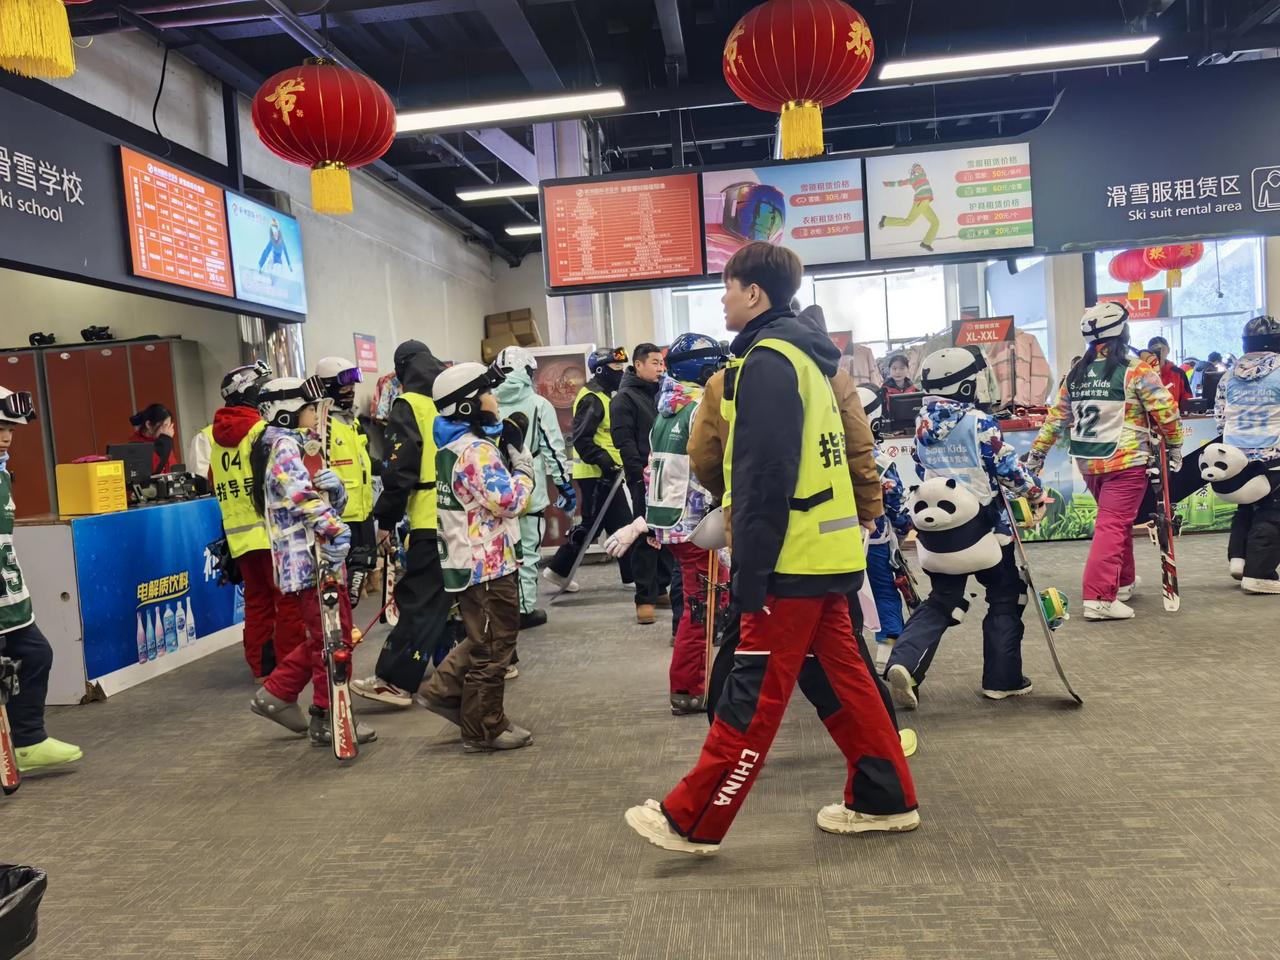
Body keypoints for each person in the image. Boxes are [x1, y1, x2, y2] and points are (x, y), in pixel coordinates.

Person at [624, 241, 917, 855]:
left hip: (790, 558)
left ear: (753, 292)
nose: (723, 300)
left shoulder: (765, 361)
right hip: (824, 553)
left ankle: (692, 819)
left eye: (727, 288)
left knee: (751, 693)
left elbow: (763, 475)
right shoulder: (808, 357)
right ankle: (885, 798)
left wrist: (750, 572)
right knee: (849, 684)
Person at [696, 305, 913, 755]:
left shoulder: (729, 378)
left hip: (757, 535)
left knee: (745, 635)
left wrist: (731, 499)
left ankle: (723, 738)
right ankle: (881, 744)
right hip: (825, 537)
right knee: (841, 648)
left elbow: (704, 456)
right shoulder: (833, 377)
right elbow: (858, 447)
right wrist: (868, 509)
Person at [881, 347, 1046, 711]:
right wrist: (1036, 492)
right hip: (985, 532)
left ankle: (903, 664)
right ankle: (1002, 680)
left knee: (941, 601)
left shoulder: (921, 424)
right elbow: (1007, 470)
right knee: (1006, 593)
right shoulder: (978, 422)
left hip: (939, 534)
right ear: (967, 386)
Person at [1026, 303, 1183, 621]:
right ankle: (1099, 597)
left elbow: (1056, 419)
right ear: (1123, 332)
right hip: (1125, 462)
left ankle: (1122, 583)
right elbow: (1166, 412)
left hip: (1088, 462)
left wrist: (1037, 456)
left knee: (1117, 521)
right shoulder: (1135, 369)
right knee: (1113, 524)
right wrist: (1176, 445)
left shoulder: (1077, 373)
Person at [604, 333, 729, 714]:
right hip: (699, 525)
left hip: (673, 523)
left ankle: (698, 685)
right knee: (705, 608)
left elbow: (652, 471)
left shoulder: (666, 410)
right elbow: (714, 464)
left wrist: (647, 522)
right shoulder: (700, 408)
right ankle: (692, 687)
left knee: (703, 604)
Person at [246, 376, 375, 746]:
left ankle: (279, 693)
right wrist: (338, 530)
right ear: (287, 412)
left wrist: (335, 495)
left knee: (331, 634)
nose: (316, 417)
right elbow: (301, 498)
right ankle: (328, 715)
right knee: (332, 640)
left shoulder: (296, 446)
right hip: (310, 561)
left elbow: (308, 498)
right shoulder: (284, 447)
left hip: (315, 557)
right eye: (308, 409)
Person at [415, 362, 535, 752]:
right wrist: (523, 469)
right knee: (495, 646)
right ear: (468, 406)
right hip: (487, 564)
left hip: (471, 560)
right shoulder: (475, 451)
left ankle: (443, 690)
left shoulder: (454, 446)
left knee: (481, 637)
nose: (495, 400)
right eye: (488, 394)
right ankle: (485, 727)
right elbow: (509, 501)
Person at [351, 340, 450, 709]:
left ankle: (393, 681)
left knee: (419, 601)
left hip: (428, 519)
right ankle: (481, 667)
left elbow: (399, 467)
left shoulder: (410, 405)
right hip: (464, 519)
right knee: (456, 600)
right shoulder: (450, 399)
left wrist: (386, 519)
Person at [0, 386, 83, 773]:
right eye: (0, 426)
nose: (6, 436)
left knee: (35, 654)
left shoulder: (2, 473)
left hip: (10, 600)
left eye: (11, 429)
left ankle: (28, 743)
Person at [200, 360, 281, 680]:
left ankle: (261, 668)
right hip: (273, 531)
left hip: (239, 536)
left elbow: (211, 479)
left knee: (257, 601)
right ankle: (289, 667)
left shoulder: (211, 435)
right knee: (285, 602)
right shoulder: (263, 431)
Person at [493, 346, 576, 629]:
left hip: (492, 491)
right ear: (528, 372)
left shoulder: (486, 402)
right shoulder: (539, 405)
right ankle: (524, 609)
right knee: (527, 552)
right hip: (527, 490)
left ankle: (499, 611)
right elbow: (554, 451)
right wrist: (565, 487)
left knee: (497, 553)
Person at [543, 347, 634, 592]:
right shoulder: (592, 398)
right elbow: (582, 439)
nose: (621, 372)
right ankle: (558, 568)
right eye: (616, 368)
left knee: (619, 524)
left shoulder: (606, 395)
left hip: (608, 472)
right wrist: (604, 461)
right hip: (596, 474)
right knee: (596, 525)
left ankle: (631, 575)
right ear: (601, 370)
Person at [1215, 315, 1280, 593]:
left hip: (1234, 457)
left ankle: (1239, 560)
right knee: (1272, 510)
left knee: (1247, 505)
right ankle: (1260, 574)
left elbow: (1220, 416)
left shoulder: (1229, 374)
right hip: (1273, 455)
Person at [611, 343, 673, 625]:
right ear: (638, 365)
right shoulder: (624, 398)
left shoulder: (662, 395)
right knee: (645, 536)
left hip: (666, 475)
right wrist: (637, 473)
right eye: (655, 363)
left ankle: (660, 587)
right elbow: (623, 441)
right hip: (643, 477)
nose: (661, 368)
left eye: (662, 363)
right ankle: (643, 598)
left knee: (665, 534)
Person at [313, 357, 378, 607]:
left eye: (353, 384)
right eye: (344, 385)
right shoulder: (321, 425)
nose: (351, 390)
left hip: (362, 513)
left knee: (354, 587)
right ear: (327, 387)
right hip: (339, 518)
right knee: (337, 586)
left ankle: (346, 628)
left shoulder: (353, 421)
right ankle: (338, 633)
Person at [855, 387, 913, 652]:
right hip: (874, 540)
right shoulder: (876, 458)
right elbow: (894, 495)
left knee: (839, 600)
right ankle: (887, 651)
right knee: (884, 591)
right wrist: (903, 526)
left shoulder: (827, 453)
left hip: (832, 540)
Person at [878, 162, 939, 252]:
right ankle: (885, 221)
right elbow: (900, 183)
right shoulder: (913, 179)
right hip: (920, 202)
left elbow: (922, 171)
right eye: (916, 168)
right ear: (913, 171)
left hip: (925, 203)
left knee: (935, 222)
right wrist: (887, 184)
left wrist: (919, 168)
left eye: (920, 167)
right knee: (908, 222)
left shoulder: (924, 175)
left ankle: (926, 243)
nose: (919, 168)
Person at [127, 402, 177, 474]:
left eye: (169, 426)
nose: (168, 430)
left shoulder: (164, 440)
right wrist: (165, 440)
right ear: (149, 425)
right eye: (164, 425)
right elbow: (153, 469)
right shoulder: (136, 445)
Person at [1148, 336, 1193, 413]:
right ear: (1148, 352)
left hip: (1174, 418)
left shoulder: (1179, 374)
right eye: (1155, 350)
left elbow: (1187, 399)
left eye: (1162, 349)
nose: (1159, 352)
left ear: (1168, 350)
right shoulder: (1143, 373)